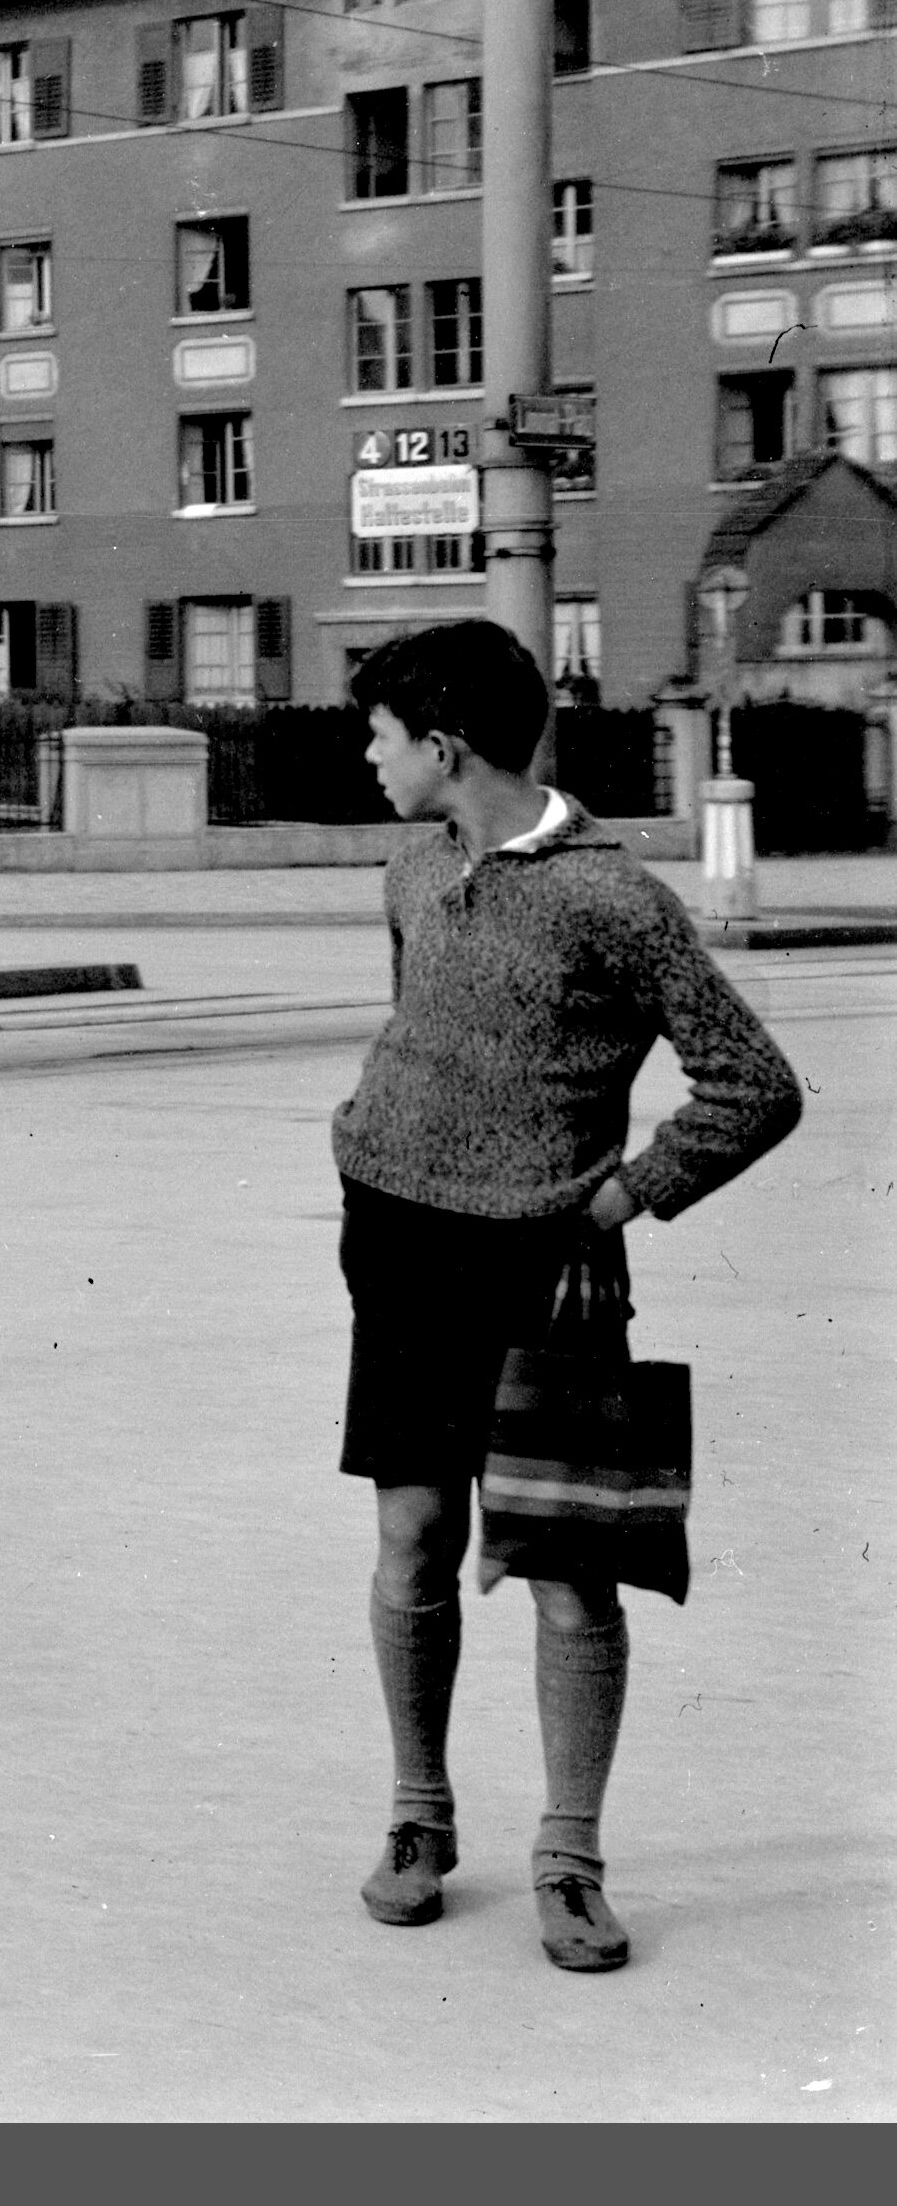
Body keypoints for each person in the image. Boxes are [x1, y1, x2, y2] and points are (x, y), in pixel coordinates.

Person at [335, 616, 802, 1973]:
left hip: (547, 1266)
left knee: (567, 1568)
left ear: (445, 744)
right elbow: (417, 1023)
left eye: (380, 735)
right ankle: (419, 1817)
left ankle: (571, 1859)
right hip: (401, 1246)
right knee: (412, 1536)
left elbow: (753, 1083)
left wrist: (626, 1193)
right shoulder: (412, 864)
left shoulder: (614, 898)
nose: (368, 757)